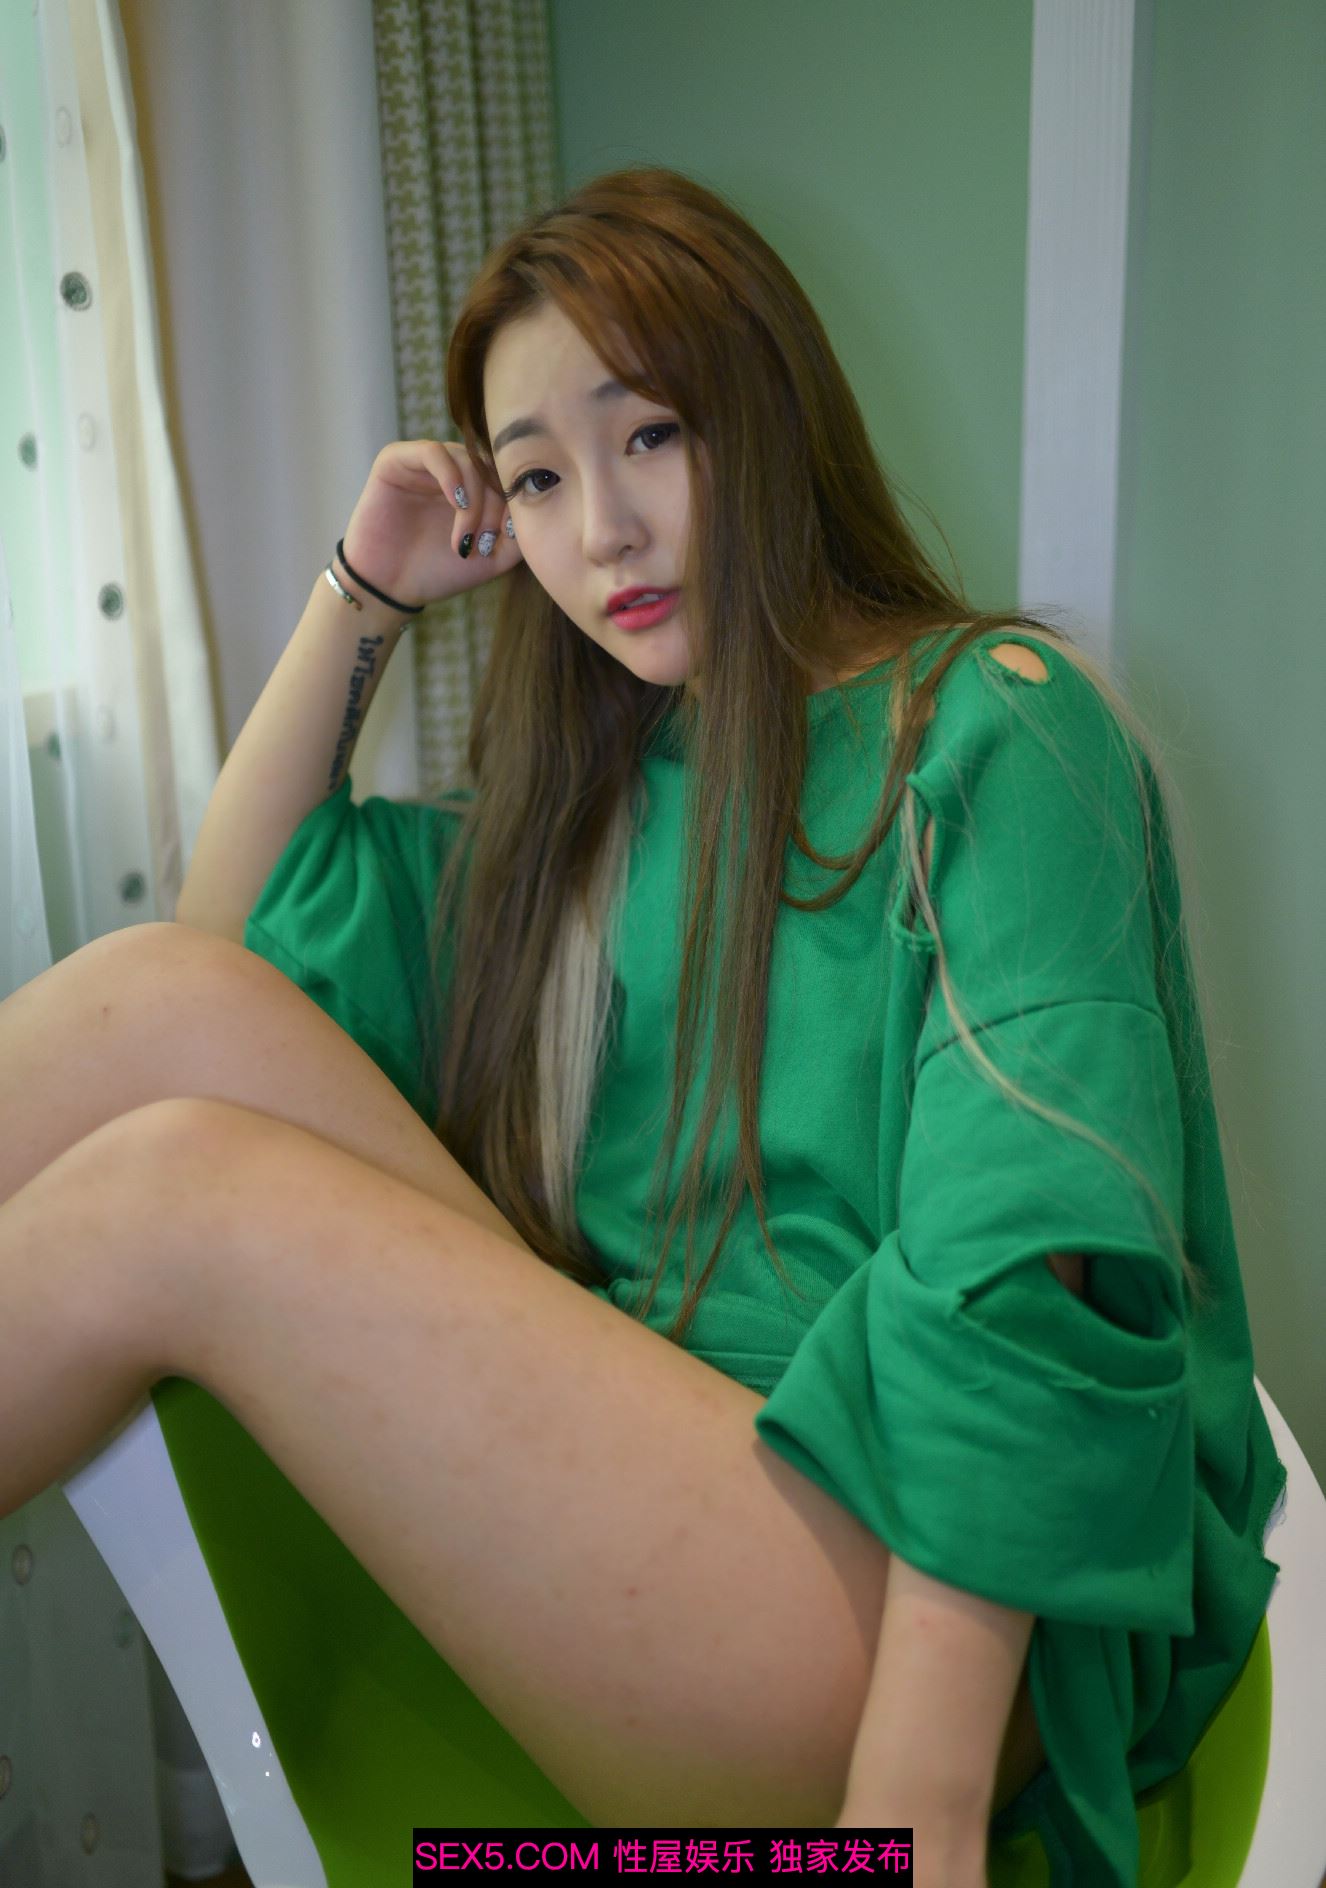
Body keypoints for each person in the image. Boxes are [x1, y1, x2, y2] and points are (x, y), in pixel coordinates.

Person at [0, 166, 1285, 1888]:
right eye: (536, 475)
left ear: (767, 413)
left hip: (887, 1585)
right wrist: (364, 592)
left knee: (171, 1194)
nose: (599, 527)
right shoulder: (599, 803)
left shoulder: (992, 724)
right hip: (662, 1484)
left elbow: (1020, 1275)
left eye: (651, 435)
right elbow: (219, 948)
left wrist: (915, 1811)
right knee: (161, 1001)